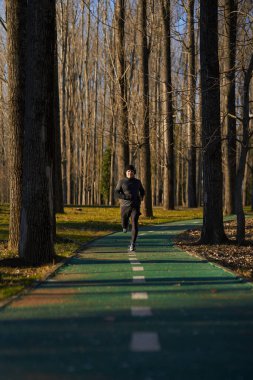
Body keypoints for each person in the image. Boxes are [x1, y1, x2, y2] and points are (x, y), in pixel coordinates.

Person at [115, 164, 145, 251]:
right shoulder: (122, 182)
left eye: (131, 171)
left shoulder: (137, 182)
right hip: (125, 206)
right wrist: (125, 197)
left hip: (135, 205)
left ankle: (133, 243)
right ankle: (125, 225)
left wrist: (141, 197)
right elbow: (116, 193)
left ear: (134, 172)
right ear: (126, 172)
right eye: (128, 171)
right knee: (124, 223)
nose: (130, 173)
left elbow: (142, 191)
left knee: (135, 222)